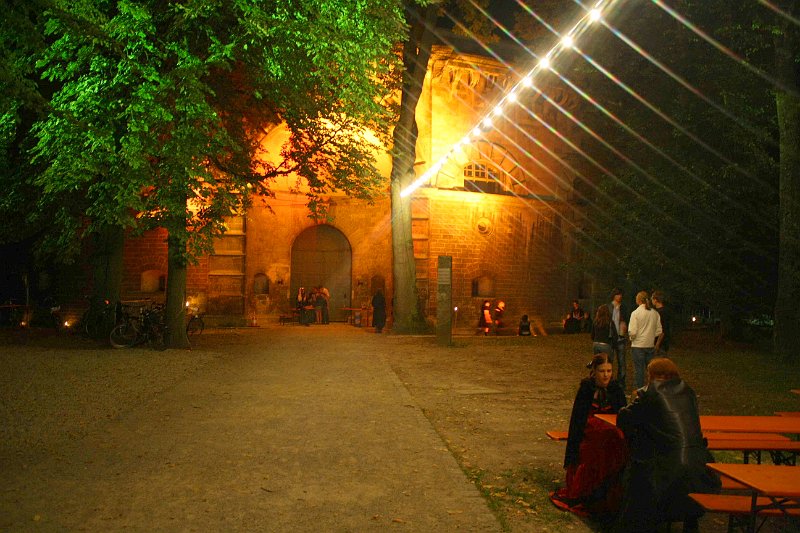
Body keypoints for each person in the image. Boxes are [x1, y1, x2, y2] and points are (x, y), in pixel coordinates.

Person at [616, 358, 720, 533]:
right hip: (700, 467)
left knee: (637, 468)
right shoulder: (688, 392)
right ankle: (690, 522)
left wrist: (634, 399)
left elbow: (624, 419)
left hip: (667, 470)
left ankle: (638, 523)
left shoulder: (651, 393)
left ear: (655, 376)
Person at [551, 354, 627, 517]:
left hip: (611, 434)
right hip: (589, 434)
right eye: (602, 371)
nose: (606, 375)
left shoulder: (616, 389)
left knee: (616, 440)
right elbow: (578, 419)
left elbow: (623, 415)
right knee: (596, 447)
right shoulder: (586, 389)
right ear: (594, 372)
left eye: (609, 371)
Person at [628, 291, 662, 390]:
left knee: (639, 370)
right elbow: (659, 330)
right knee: (651, 370)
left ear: (638, 300)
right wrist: (650, 335)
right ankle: (652, 389)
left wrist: (632, 338)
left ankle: (640, 390)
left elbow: (633, 332)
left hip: (638, 345)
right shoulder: (655, 313)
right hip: (650, 345)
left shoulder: (635, 313)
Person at [607, 289, 629, 391]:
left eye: (620, 294)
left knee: (622, 362)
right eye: (618, 294)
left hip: (621, 337)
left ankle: (621, 383)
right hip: (611, 337)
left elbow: (627, 320)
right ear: (614, 296)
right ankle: (609, 382)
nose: (620, 296)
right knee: (609, 361)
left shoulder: (624, 307)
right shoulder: (608, 307)